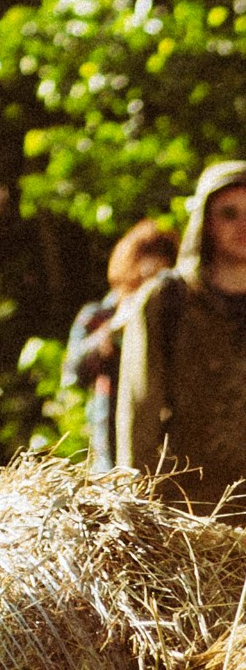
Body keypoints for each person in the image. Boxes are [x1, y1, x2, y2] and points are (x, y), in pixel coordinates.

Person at [118, 161, 246, 514]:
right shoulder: (167, 302)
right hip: (192, 515)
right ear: (206, 221)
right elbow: (139, 412)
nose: (243, 226)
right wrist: (137, 507)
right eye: (229, 214)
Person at [63, 220, 175, 473]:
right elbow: (71, 373)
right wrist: (109, 334)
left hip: (167, 445)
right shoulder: (98, 315)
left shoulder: (177, 317)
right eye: (144, 277)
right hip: (110, 445)